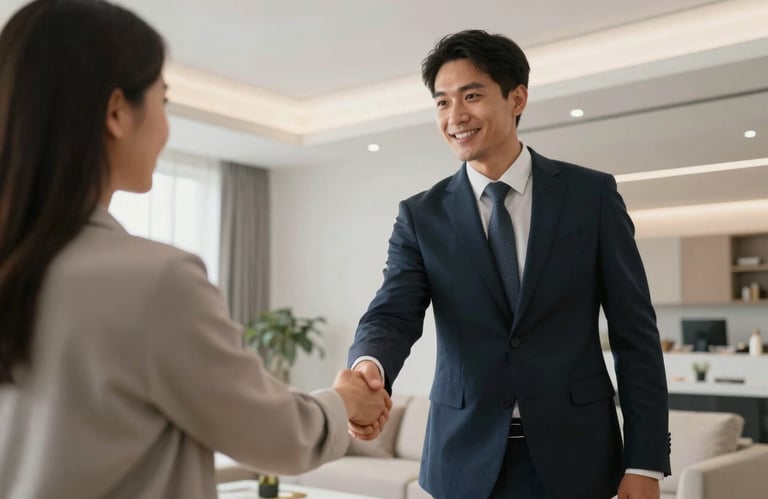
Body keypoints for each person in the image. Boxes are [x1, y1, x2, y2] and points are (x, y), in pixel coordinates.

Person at [0, 2, 390, 498]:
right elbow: (276, 435)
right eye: (164, 101)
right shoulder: (154, 281)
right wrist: (345, 400)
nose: (166, 125)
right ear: (117, 112)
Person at [348, 30, 670, 499]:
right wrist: (369, 364)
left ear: (516, 98)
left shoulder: (591, 197)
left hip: (577, 457)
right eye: (441, 102)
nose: (455, 116)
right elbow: (393, 310)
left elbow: (634, 332)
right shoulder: (421, 215)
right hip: (463, 460)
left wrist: (644, 462)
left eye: (471, 96)